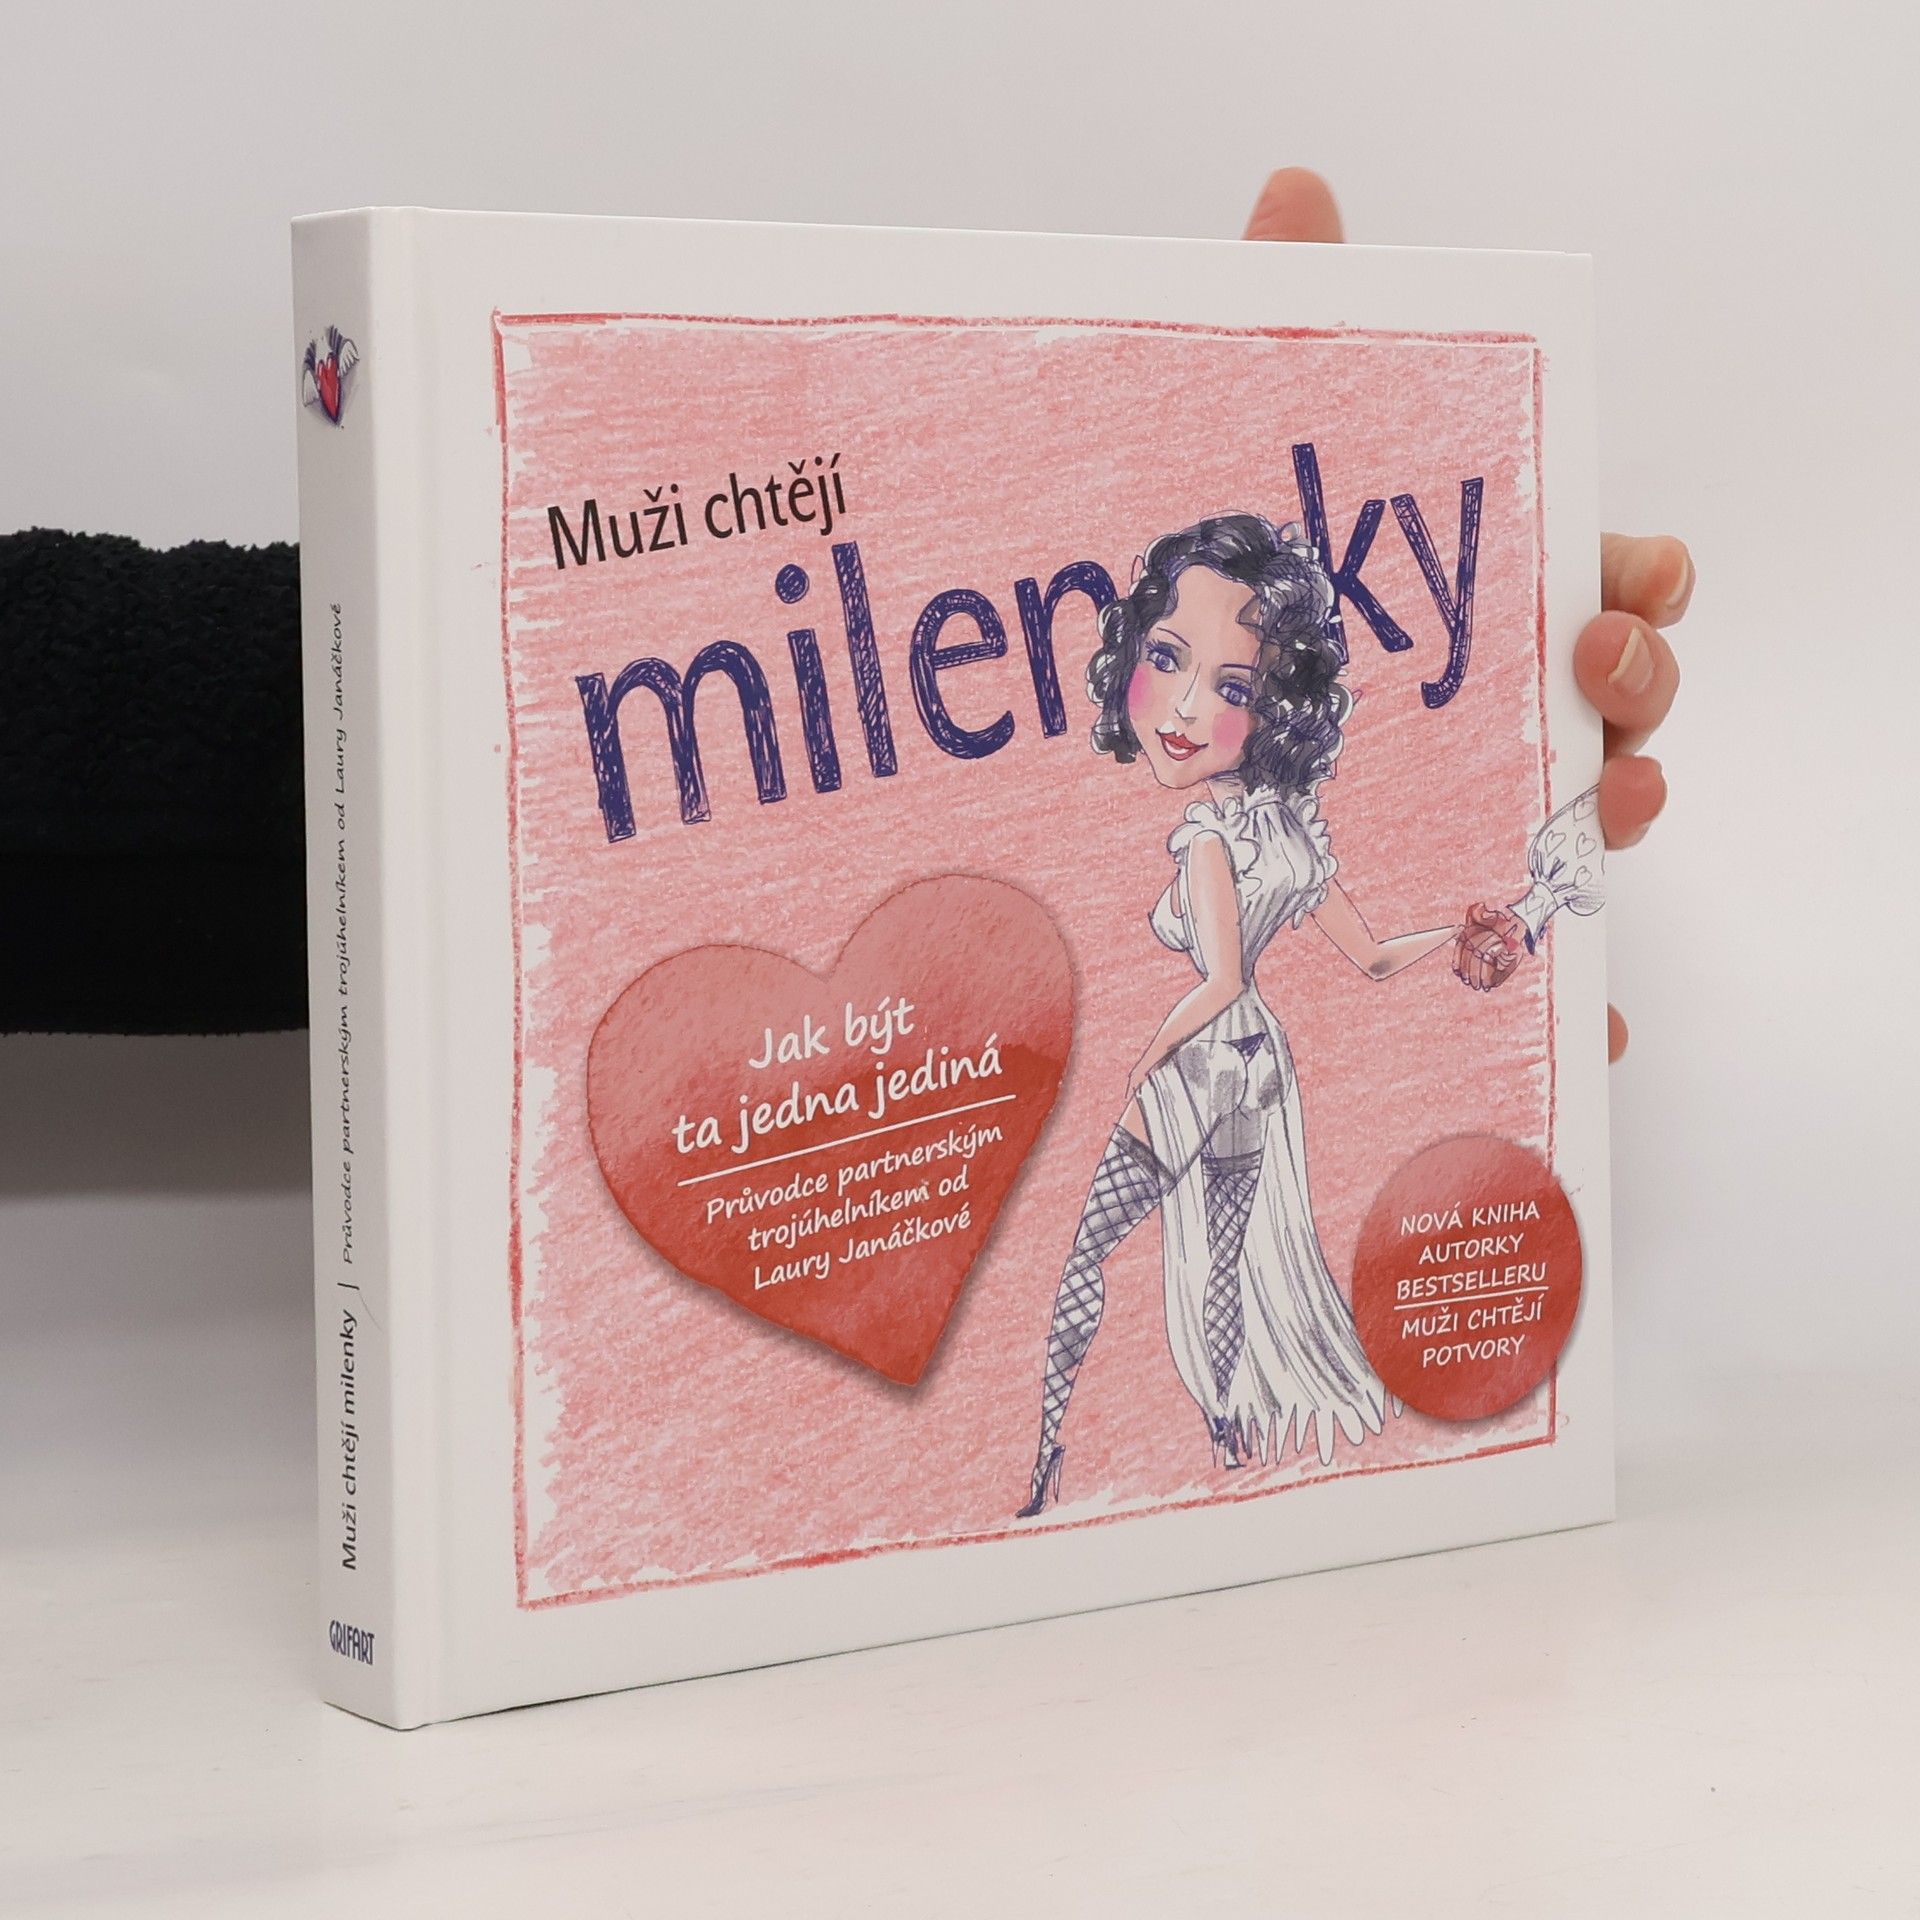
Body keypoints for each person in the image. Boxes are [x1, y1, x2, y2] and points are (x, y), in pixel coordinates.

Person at [1011, 171, 1688, 1517]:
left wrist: (1139, 1065)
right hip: (1268, 1078)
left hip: (1207, 1060)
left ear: (1274, 707)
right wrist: (1479, 926)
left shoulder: (1215, 831)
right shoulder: (1293, 833)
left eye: (1230, 684)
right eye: (1167, 660)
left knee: (1089, 1259)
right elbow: (1375, 957)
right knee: (1220, 1273)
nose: (1186, 707)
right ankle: (1226, 1447)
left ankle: (1045, 1458)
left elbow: (1217, 982)